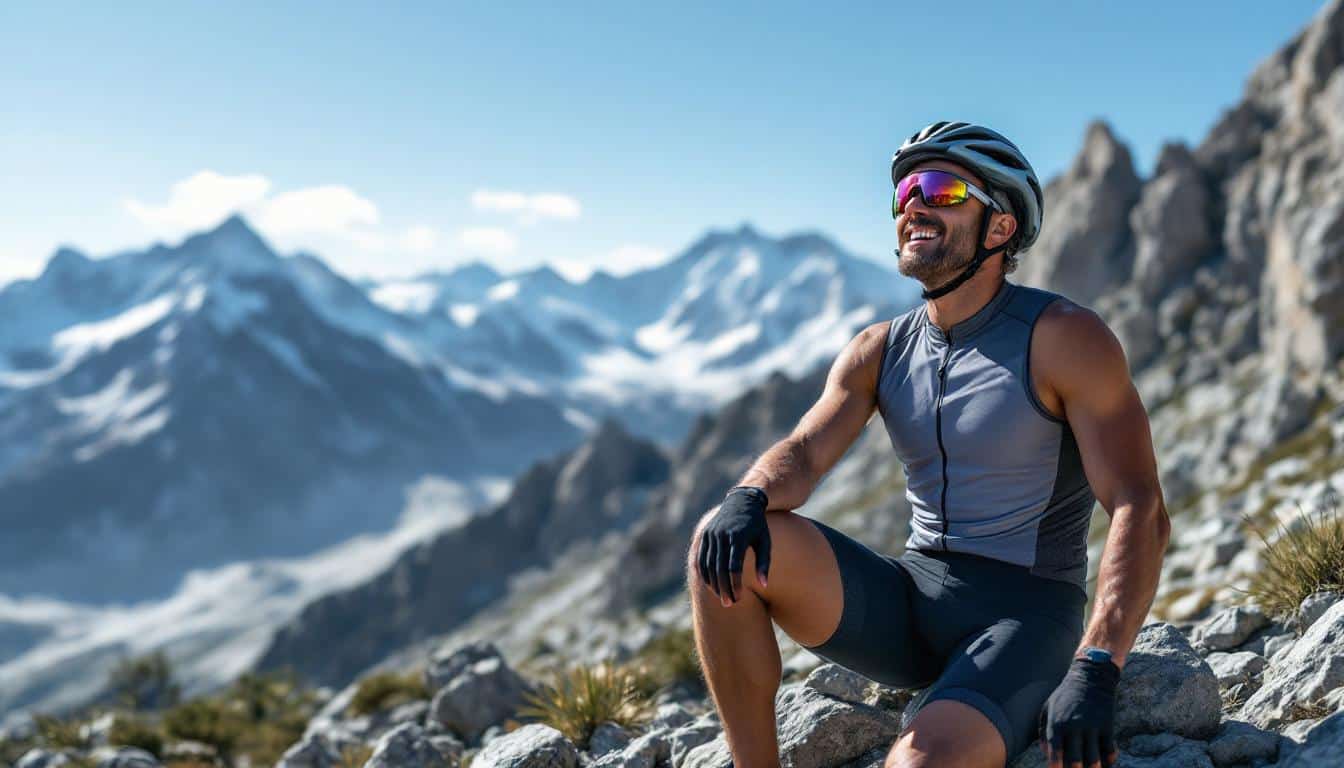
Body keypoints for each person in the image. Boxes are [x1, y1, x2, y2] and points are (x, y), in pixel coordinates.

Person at [686, 121, 1170, 768]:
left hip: (1024, 618)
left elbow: (1140, 504)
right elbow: (803, 452)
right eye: (906, 191)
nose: (913, 203)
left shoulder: (1063, 338)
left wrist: (1099, 665)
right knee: (720, 543)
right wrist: (749, 495)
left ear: (1000, 228)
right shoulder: (878, 349)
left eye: (941, 189)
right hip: (912, 598)